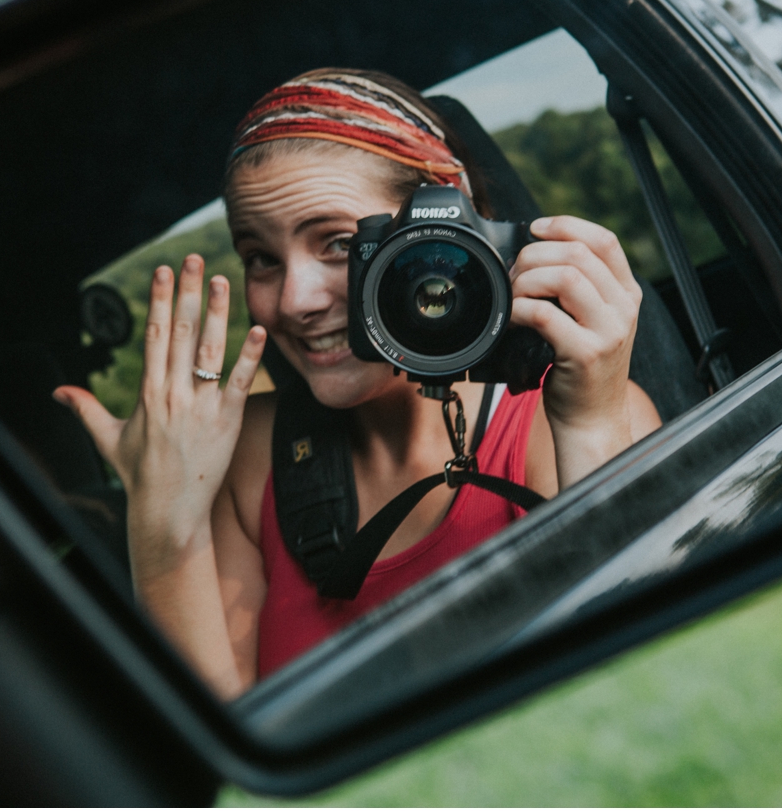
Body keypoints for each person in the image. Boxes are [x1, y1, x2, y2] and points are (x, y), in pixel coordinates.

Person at [54, 69, 660, 698]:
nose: (294, 300)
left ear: (442, 227)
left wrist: (590, 424)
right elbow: (232, 751)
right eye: (261, 258)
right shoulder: (245, 455)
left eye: (340, 244)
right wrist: (159, 520)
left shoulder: (560, 420)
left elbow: (636, 680)